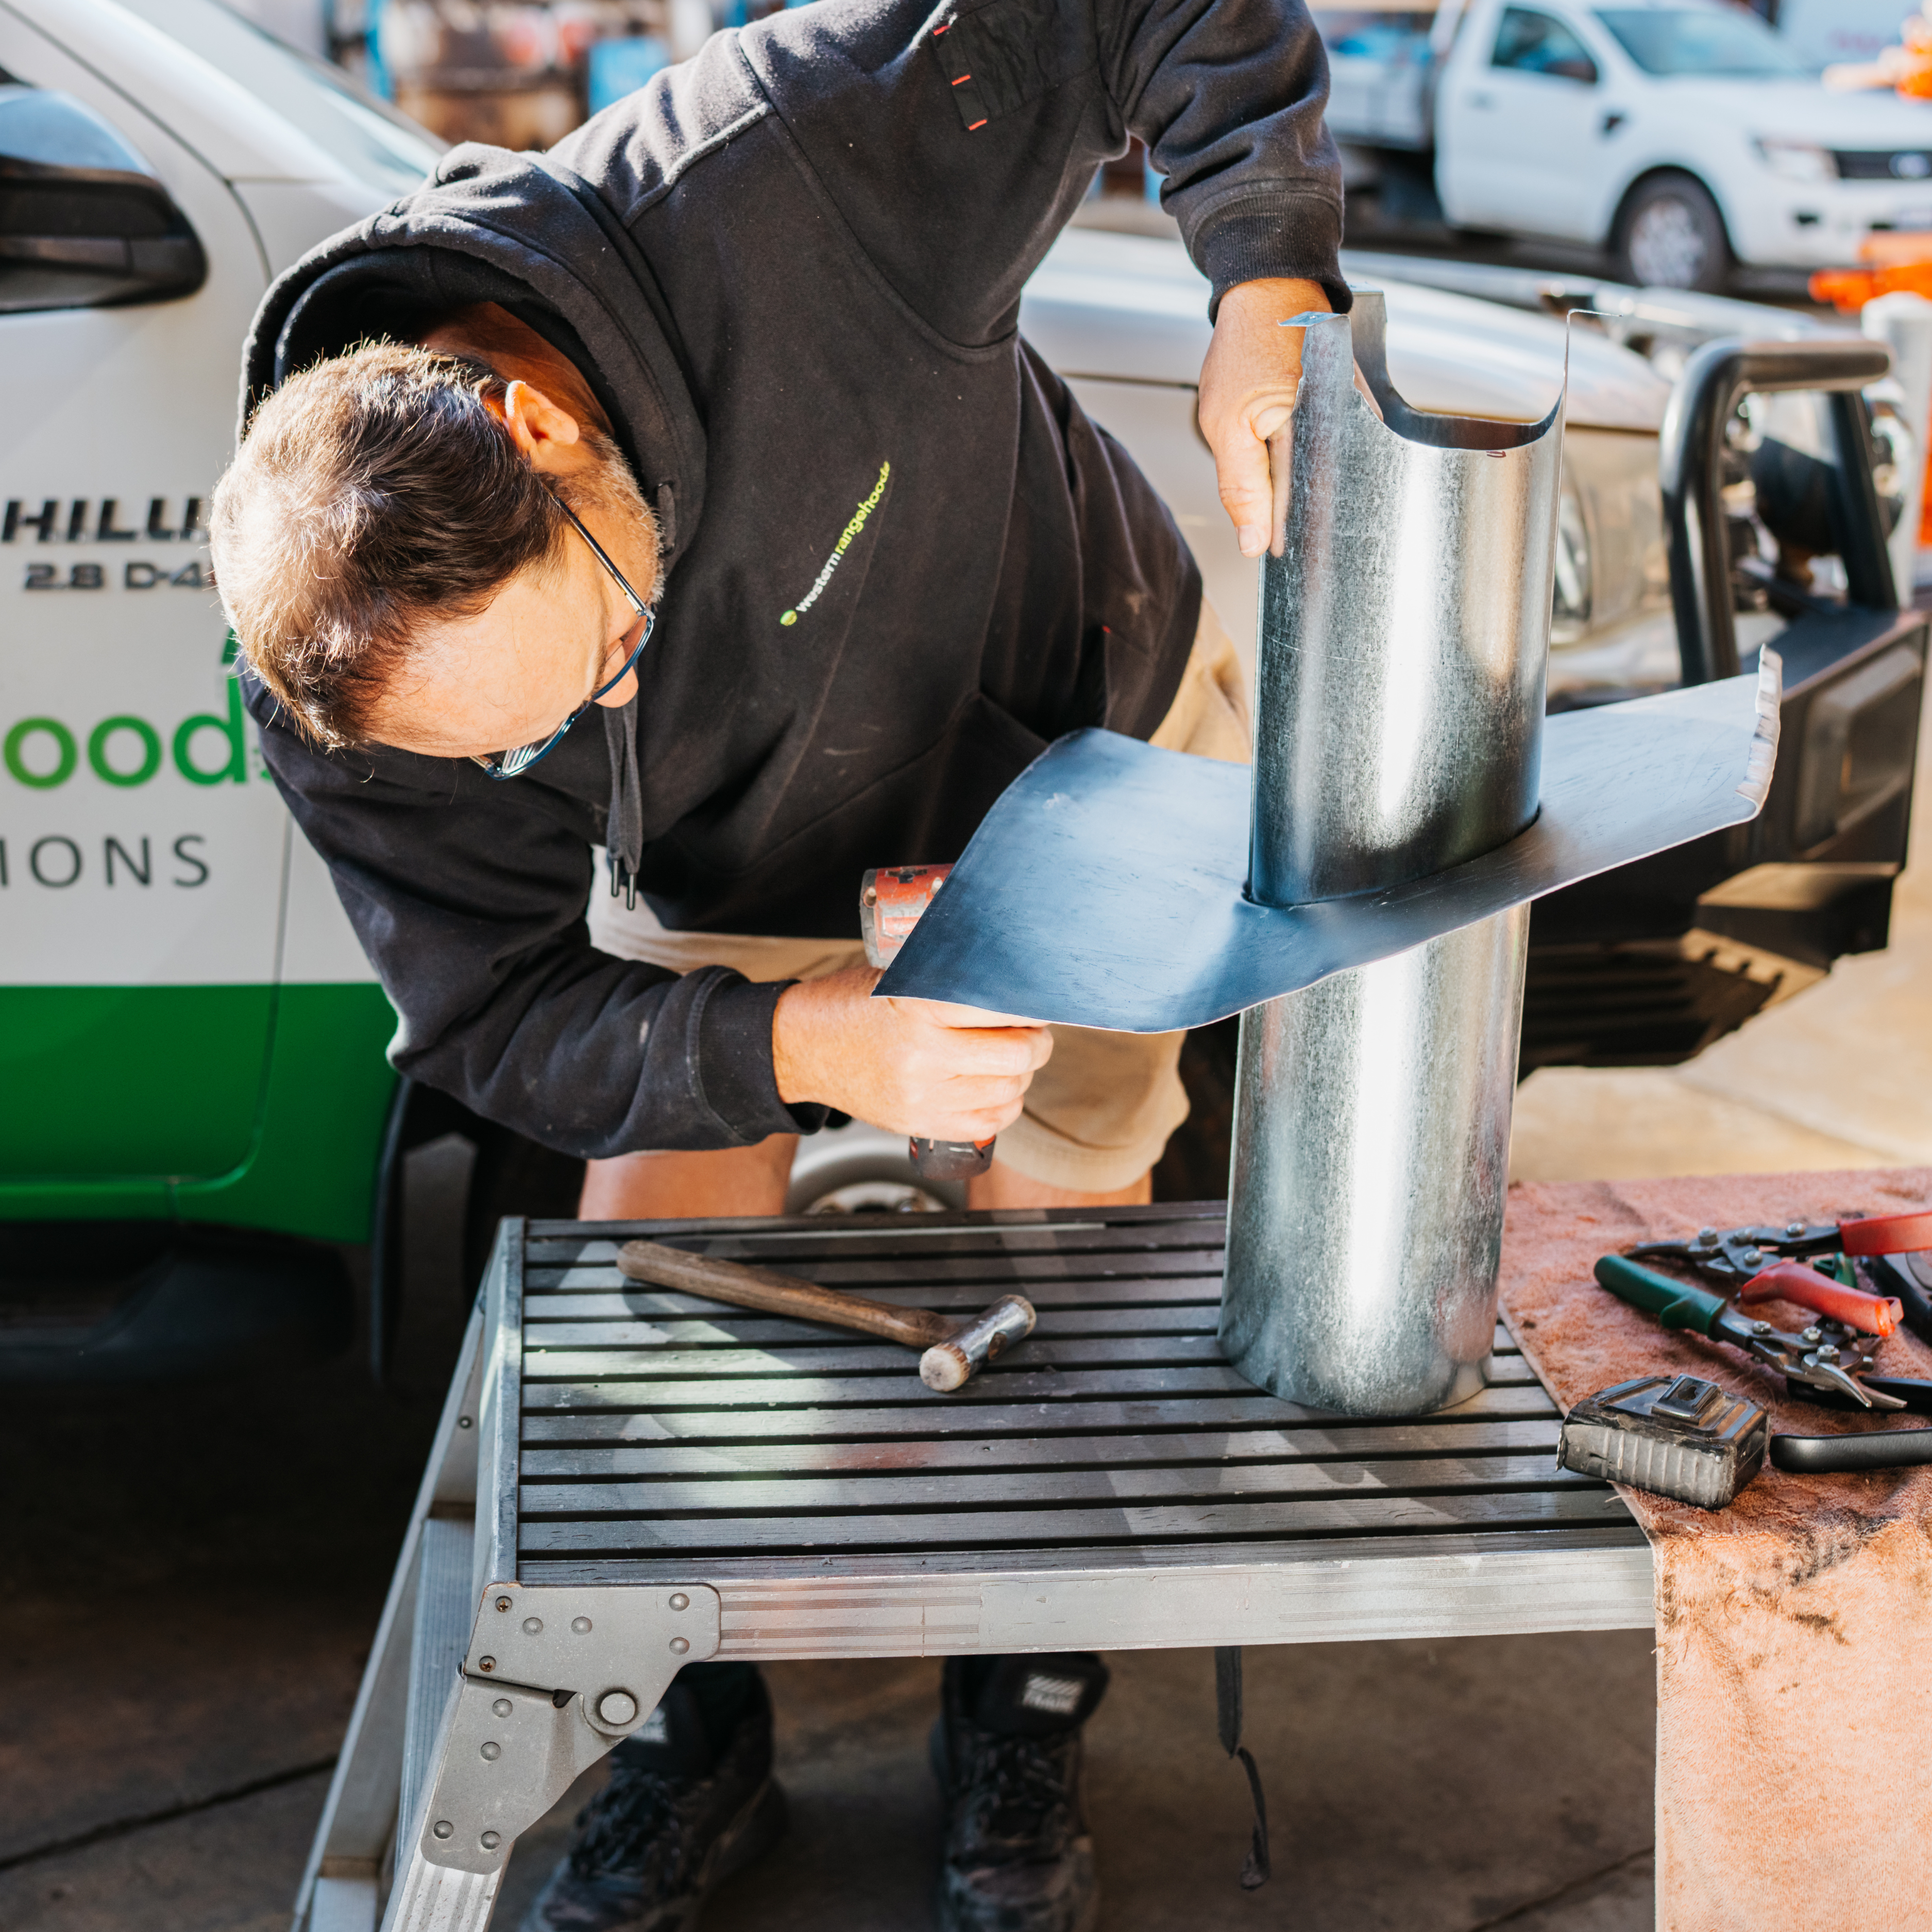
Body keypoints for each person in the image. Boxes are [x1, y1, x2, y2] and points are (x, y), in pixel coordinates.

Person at [211, 1, 1343, 1924]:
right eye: (525, 738)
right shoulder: (347, 675)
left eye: (606, 643)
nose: (608, 701)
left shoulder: (802, 157)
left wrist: (1272, 274)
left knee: (1072, 1227)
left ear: (540, 425)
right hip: (737, 847)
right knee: (654, 1264)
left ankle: (1021, 1693)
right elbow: (499, 1007)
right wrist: (801, 1043)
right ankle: (685, 1730)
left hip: (1078, 717)